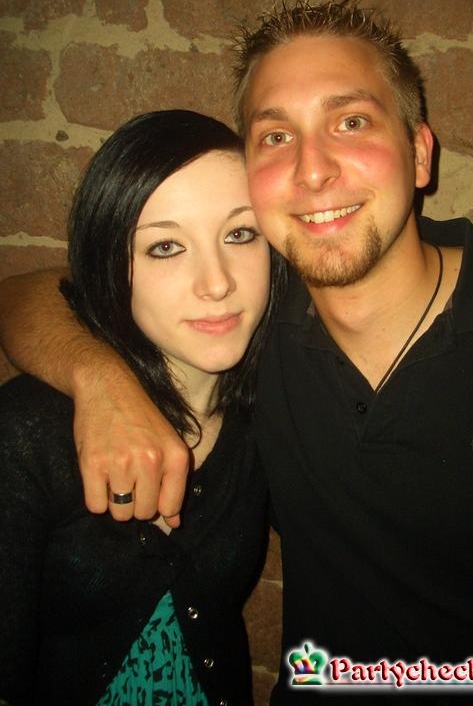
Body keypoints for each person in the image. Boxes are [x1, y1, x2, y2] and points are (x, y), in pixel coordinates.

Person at [1, 0, 473, 703]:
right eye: (277, 135)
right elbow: (40, 291)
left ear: (419, 153)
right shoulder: (250, 324)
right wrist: (101, 382)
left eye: (351, 122)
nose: (312, 170)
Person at [0, 109, 286, 706]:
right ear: (111, 266)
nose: (217, 283)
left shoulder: (273, 420)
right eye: (165, 247)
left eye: (240, 234)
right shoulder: (27, 433)